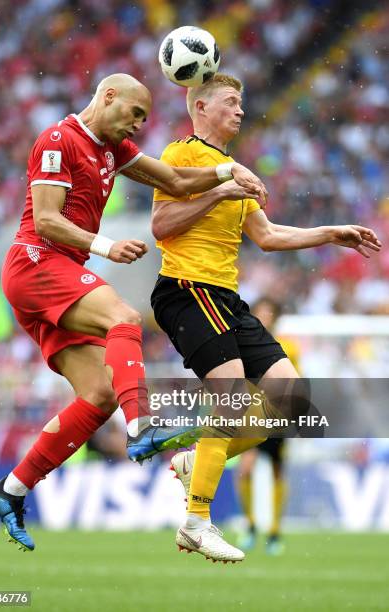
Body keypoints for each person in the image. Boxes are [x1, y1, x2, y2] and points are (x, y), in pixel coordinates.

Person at [0, 73, 267, 552]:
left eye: (143, 120)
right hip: (36, 262)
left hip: (60, 272)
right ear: (108, 97)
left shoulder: (115, 149)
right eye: (134, 114)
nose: (137, 126)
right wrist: (107, 246)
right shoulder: (59, 138)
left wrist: (225, 172)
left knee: (97, 394)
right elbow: (47, 219)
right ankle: (142, 428)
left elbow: (174, 179)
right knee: (124, 318)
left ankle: (10, 490)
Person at [150, 73, 381, 562]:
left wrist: (330, 233)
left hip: (225, 297)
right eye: (230, 102)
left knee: (289, 402)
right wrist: (218, 191)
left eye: (241, 103)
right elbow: (161, 226)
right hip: (189, 288)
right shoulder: (181, 156)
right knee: (234, 402)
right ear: (201, 106)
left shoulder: (236, 168)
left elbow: (269, 235)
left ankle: (197, 459)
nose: (239, 110)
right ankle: (197, 520)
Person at [236, 298, 300, 555]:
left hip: (277, 416)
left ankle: (274, 531)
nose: (264, 317)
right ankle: (251, 525)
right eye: (260, 312)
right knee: (246, 468)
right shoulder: (243, 344)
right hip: (251, 414)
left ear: (275, 317)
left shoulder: (289, 347)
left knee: (276, 472)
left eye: (268, 312)